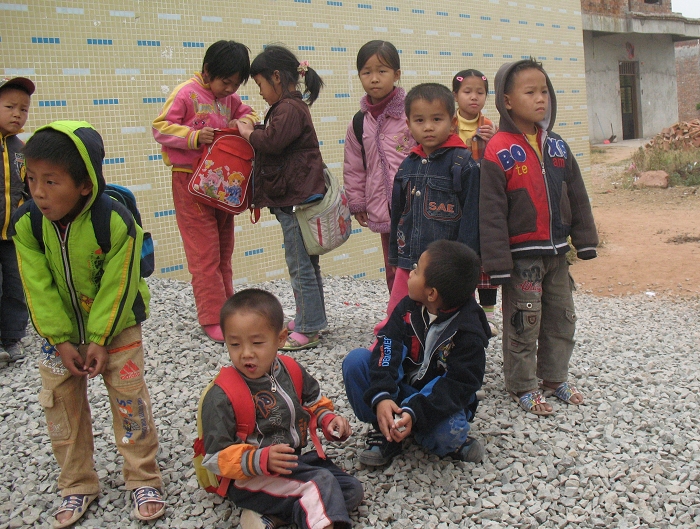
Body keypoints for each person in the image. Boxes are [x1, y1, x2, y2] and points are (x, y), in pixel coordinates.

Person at [10, 121, 165, 527]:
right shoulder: (27, 224)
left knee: (130, 402)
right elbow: (37, 288)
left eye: (51, 181)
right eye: (32, 179)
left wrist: (99, 338)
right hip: (58, 333)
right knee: (60, 406)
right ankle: (76, 483)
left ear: (84, 185)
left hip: (117, 327)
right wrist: (61, 340)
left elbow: (119, 284)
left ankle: (142, 477)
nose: (38, 191)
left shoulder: (114, 221)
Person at [479, 58, 599, 416]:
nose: (540, 98)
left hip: (557, 253)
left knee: (562, 318)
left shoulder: (558, 146)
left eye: (544, 91)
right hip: (522, 257)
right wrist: (497, 264)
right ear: (507, 101)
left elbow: (576, 194)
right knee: (523, 321)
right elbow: (491, 211)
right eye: (530, 92)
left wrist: (585, 240)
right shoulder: (498, 148)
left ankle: (554, 377)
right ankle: (523, 385)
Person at [200, 289, 364, 529]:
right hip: (249, 478)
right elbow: (215, 457)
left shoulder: (290, 369)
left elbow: (313, 402)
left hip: (291, 463)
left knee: (350, 490)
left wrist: (328, 419)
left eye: (257, 343)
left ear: (280, 338)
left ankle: (268, 517)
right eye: (234, 344)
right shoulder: (222, 394)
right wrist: (259, 459)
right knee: (320, 485)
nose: (246, 353)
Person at [343, 240, 489, 466]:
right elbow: (387, 347)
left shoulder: (468, 331)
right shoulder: (408, 308)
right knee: (356, 362)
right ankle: (385, 428)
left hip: (436, 403)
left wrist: (415, 412)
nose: (410, 273)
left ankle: (426, 434)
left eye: (417, 270)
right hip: (400, 390)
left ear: (431, 293)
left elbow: (458, 385)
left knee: (449, 432)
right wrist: (382, 395)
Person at [152, 40, 258, 343]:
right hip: (190, 183)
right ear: (208, 70)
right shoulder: (186, 93)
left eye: (236, 83)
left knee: (224, 249)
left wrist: (242, 121)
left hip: (222, 184)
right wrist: (194, 136)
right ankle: (212, 317)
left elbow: (250, 113)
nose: (230, 89)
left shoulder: (230, 97)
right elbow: (160, 127)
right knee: (204, 253)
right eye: (226, 81)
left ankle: (227, 310)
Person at [236, 45, 327, 351]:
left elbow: (273, 142)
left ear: (276, 76)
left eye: (260, 84)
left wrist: (248, 133)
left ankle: (309, 327)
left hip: (294, 201)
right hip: (297, 197)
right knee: (307, 263)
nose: (260, 92)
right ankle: (311, 318)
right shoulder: (291, 107)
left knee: (299, 265)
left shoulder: (288, 108)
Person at [381, 83, 482, 322]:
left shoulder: (463, 164)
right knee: (398, 316)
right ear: (408, 125)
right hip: (409, 263)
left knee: (452, 318)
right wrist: (394, 257)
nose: (428, 127)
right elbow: (397, 215)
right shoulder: (407, 165)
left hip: (448, 268)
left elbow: (472, 219)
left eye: (437, 119)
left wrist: (466, 265)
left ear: (453, 122)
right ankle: (391, 345)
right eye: (419, 120)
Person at [343, 40, 415, 292]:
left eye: (382, 71)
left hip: (416, 204)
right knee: (393, 265)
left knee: (421, 264)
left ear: (396, 74)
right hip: (383, 206)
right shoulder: (359, 122)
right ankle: (397, 310)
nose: (374, 78)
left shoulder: (412, 113)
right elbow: (354, 167)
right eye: (367, 72)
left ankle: (426, 310)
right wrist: (358, 203)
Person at [452, 70, 500, 336]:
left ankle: (489, 315)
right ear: (455, 95)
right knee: (460, 255)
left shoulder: (490, 127)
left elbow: (498, 158)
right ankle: (464, 311)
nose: (474, 97)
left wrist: (494, 138)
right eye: (467, 92)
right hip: (455, 200)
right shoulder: (447, 124)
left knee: (485, 257)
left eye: (480, 92)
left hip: (482, 201)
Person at [0, 76, 33, 367]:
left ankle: (12, 337)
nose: (17, 114)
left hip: (12, 235)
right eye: (9, 107)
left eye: (23, 109)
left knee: (15, 285)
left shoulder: (21, 150)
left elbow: (27, 190)